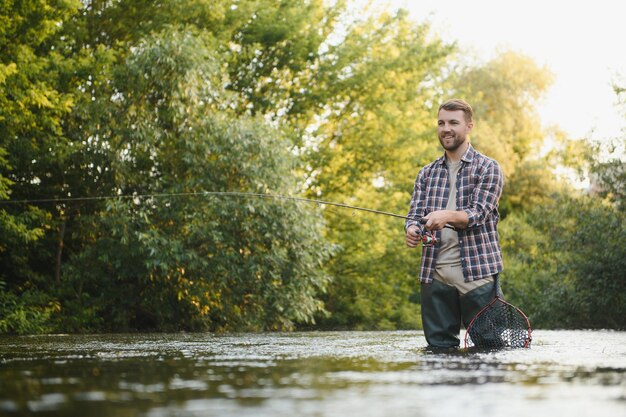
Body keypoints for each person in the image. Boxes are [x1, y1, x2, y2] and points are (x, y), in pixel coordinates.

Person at [405, 99, 504, 348]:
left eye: (453, 123)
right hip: (434, 274)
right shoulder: (426, 173)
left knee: (488, 353)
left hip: (478, 276)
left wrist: (445, 215)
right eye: (441, 123)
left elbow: (479, 213)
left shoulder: (488, 168)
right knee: (438, 354)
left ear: (469, 126)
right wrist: (412, 230)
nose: (446, 128)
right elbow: (415, 215)